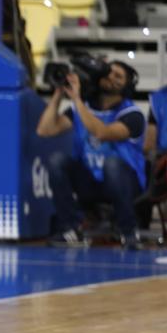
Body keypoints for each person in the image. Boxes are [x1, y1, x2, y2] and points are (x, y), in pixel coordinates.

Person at [37, 59, 146, 250]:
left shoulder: (132, 114)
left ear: (127, 85)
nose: (111, 77)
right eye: (109, 72)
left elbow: (102, 133)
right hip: (90, 182)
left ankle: (128, 230)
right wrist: (58, 93)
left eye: (118, 76)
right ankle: (70, 228)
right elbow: (45, 130)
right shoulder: (84, 107)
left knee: (112, 164)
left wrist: (77, 100)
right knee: (56, 161)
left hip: (125, 183)